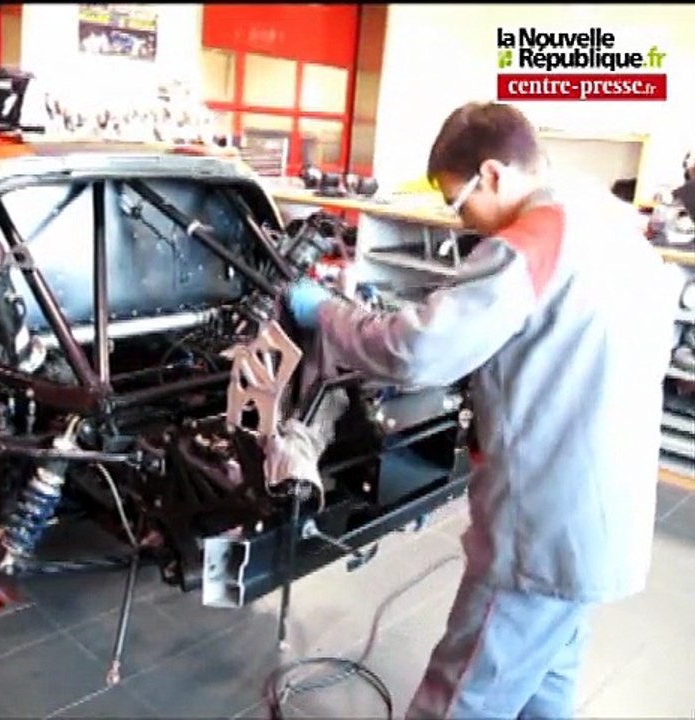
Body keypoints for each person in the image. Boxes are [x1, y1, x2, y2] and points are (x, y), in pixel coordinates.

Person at [284, 101, 684, 719]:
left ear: (493, 174)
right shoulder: (611, 221)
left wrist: (329, 314)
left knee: (464, 695)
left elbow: (417, 351)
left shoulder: (534, 241)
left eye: (458, 201)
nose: (461, 219)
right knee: (547, 679)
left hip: (540, 531)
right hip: (602, 515)